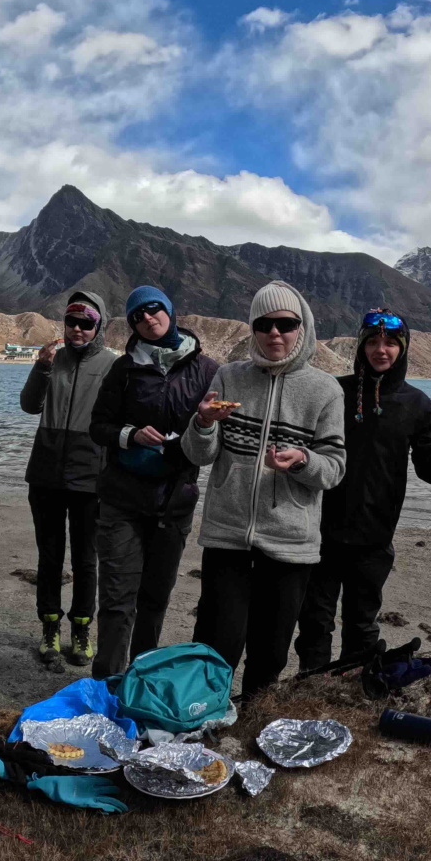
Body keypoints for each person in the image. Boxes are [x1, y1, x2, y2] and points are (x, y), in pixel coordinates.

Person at [293, 308, 431, 673]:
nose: (381, 350)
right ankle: (311, 684)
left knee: (361, 623)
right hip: (319, 529)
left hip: (374, 535)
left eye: (390, 343)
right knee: (314, 620)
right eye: (373, 342)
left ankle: (352, 685)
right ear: (361, 346)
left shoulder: (416, 403)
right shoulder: (334, 391)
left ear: (403, 348)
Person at [183, 281, 345, 700]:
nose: (275, 333)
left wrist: (303, 461)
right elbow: (199, 454)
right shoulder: (228, 377)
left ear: (302, 328)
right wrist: (203, 423)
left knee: (269, 654)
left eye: (286, 324)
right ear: (253, 328)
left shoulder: (325, 390)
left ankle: (252, 723)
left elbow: (334, 469)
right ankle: (204, 719)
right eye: (264, 324)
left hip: (290, 542)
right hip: (227, 535)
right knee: (215, 645)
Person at [86, 285, 220, 677]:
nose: (147, 318)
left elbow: (215, 434)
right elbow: (98, 426)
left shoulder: (207, 371)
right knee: (116, 598)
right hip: (122, 500)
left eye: (153, 309)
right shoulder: (124, 369)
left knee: (155, 599)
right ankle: (107, 681)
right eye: (137, 316)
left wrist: (198, 427)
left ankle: (140, 680)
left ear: (170, 310)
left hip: (175, 501)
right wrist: (130, 435)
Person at [20, 291, 119, 667]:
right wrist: (41, 368)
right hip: (45, 474)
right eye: (71, 321)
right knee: (49, 556)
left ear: (99, 326)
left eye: (86, 323)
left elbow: (118, 420)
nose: (77, 329)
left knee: (85, 560)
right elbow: (29, 406)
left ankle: (80, 630)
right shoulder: (52, 359)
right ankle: (49, 628)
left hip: (90, 477)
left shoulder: (112, 365)